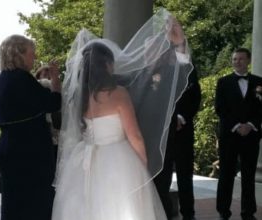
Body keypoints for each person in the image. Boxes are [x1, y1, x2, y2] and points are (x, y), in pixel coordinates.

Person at [52, 9, 193, 220]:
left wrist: (180, 46)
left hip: (103, 157)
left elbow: (184, 82)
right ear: (109, 64)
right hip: (124, 160)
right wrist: (140, 170)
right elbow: (134, 135)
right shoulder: (121, 86)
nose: (148, 55)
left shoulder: (81, 95)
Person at [0, 34, 61, 220]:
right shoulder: (22, 79)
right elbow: (53, 103)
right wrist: (55, 79)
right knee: (35, 205)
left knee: (13, 205)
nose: (35, 57)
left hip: (8, 147)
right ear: (19, 54)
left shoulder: (0, 82)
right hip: (29, 151)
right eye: (31, 53)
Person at [215, 48, 262, 220]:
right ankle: (223, 211)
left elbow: (260, 109)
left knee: (248, 175)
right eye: (235, 59)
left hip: (251, 135)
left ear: (248, 60)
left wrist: (250, 125)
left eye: (241, 59)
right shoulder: (223, 82)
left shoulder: (259, 82)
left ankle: (248, 212)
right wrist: (236, 126)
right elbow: (220, 109)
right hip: (230, 135)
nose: (237, 62)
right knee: (226, 174)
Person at [154, 67, 201, 220]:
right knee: (163, 176)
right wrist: (170, 119)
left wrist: (181, 117)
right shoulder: (155, 71)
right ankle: (164, 213)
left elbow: (195, 97)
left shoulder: (189, 71)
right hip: (162, 133)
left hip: (184, 131)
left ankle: (189, 213)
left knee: (185, 175)